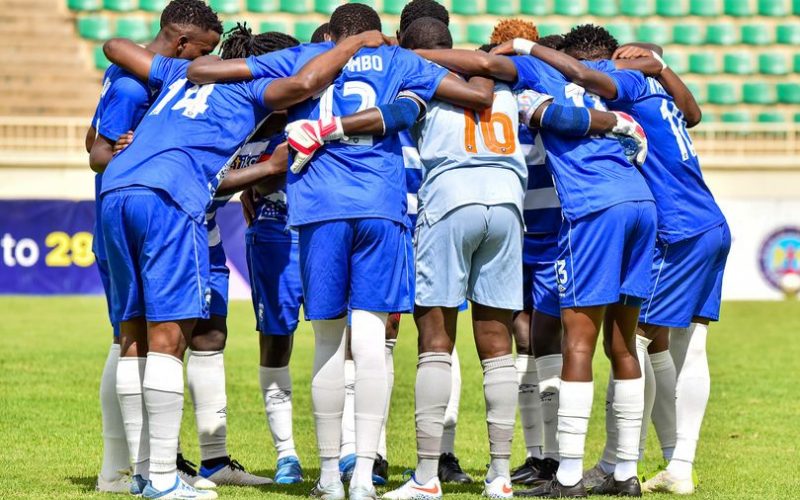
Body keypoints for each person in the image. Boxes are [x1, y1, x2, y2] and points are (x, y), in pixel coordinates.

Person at [100, 26, 390, 499]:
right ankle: (162, 479)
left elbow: (114, 45)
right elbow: (300, 86)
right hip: (170, 197)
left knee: (133, 333)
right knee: (169, 338)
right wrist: (352, 45)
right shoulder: (256, 88)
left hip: (117, 189)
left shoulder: (183, 74)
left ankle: (138, 472)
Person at [417, 35, 657, 498]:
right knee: (624, 342)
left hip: (592, 207)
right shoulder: (608, 80)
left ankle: (566, 475)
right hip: (639, 200)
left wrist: (413, 56)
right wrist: (616, 122)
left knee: (579, 344)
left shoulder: (537, 73)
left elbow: (505, 80)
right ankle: (625, 471)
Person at [526, 26, 729, 495]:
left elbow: (586, 77)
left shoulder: (625, 88)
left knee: (631, 343)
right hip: (709, 221)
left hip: (674, 227)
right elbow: (693, 113)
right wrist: (659, 65)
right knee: (682, 346)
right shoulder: (659, 91)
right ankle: (677, 463)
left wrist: (527, 53)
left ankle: (619, 464)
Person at [86, 0, 223, 492]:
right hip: (134, 215)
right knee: (133, 340)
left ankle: (139, 467)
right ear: (182, 43)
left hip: (129, 214)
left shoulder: (139, 72)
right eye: (204, 50)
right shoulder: (133, 82)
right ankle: (124, 468)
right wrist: (127, 150)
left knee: (135, 340)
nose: (206, 61)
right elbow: (96, 150)